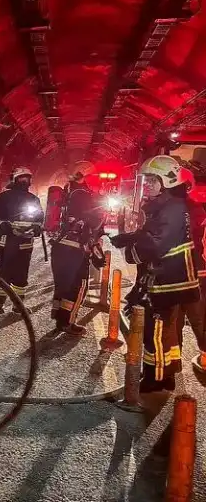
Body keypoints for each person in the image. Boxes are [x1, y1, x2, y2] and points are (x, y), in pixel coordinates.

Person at [111, 155, 200, 393]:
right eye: (147, 180)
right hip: (165, 279)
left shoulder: (172, 208)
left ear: (169, 181)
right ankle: (166, 371)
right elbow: (152, 235)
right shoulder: (167, 205)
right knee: (165, 332)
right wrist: (129, 237)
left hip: (168, 281)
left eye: (153, 180)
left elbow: (157, 244)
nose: (148, 185)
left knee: (156, 332)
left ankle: (156, 378)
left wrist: (131, 250)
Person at [49, 178, 106, 335]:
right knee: (79, 286)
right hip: (75, 250)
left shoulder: (66, 195)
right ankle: (67, 322)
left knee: (62, 284)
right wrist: (96, 252)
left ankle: (58, 316)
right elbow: (92, 228)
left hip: (59, 247)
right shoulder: (87, 198)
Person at [0, 166, 44, 315]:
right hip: (6, 242)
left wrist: (38, 227)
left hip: (25, 243)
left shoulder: (33, 199)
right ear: (14, 179)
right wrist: (2, 224)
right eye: (22, 178)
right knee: (3, 273)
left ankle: (18, 305)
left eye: (27, 178)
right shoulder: (3, 198)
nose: (25, 181)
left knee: (21, 274)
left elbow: (39, 218)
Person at [176, 167, 206, 371]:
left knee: (173, 319)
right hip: (198, 271)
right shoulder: (197, 209)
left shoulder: (172, 209)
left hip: (180, 272)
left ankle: (172, 362)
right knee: (200, 318)